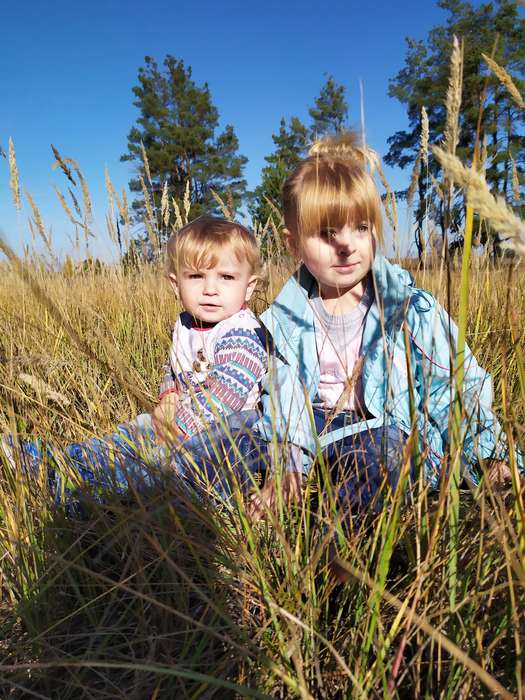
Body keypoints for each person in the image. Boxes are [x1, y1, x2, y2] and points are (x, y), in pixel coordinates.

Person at [240, 131, 522, 527]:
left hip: (377, 429)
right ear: (293, 244)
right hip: (313, 426)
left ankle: (337, 547)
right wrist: (285, 462)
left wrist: (484, 454)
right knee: (232, 441)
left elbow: (455, 382)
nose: (346, 245)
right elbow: (284, 397)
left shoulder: (408, 308)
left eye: (360, 228)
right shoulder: (285, 318)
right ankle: (151, 481)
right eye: (326, 233)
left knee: (387, 456)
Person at [2, 216, 269, 503]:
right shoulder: (187, 324)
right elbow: (175, 367)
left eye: (226, 277)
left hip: (229, 432)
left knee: (174, 465)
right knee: (132, 433)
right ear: (175, 283)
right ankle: (60, 464)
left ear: (249, 287)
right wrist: (168, 397)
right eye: (196, 276)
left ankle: (102, 495)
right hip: (182, 421)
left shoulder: (241, 332)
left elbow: (226, 394)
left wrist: (180, 426)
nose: (210, 289)